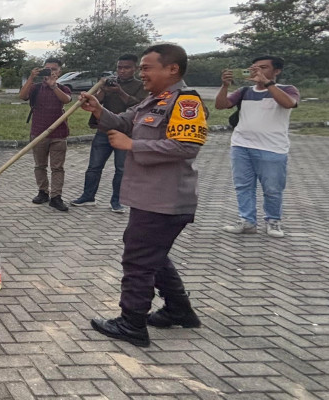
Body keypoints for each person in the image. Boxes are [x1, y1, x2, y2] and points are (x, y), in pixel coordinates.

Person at [79, 43, 207, 347]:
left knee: (138, 259)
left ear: (171, 69)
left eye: (147, 67)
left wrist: (133, 146)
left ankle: (132, 323)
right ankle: (179, 310)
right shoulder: (156, 100)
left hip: (166, 199)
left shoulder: (186, 102)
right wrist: (98, 110)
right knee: (152, 254)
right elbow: (125, 121)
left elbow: (187, 147)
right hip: (150, 197)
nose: (141, 73)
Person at [215, 56, 299, 238]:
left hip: (272, 148)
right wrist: (225, 86)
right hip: (241, 145)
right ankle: (247, 221)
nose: (257, 71)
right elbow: (221, 105)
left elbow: (288, 104)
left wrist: (267, 83)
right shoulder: (244, 91)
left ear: (277, 71)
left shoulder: (287, 90)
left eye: (263, 67)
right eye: (254, 68)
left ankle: (273, 221)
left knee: (272, 188)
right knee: (243, 186)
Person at [71, 55, 148, 212]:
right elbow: (96, 103)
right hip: (103, 131)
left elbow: (139, 105)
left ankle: (117, 201)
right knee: (94, 166)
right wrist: (101, 90)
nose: (122, 71)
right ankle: (88, 196)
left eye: (126, 67)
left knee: (121, 169)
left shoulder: (141, 86)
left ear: (135, 68)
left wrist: (120, 92)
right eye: (119, 67)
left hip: (125, 133)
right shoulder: (110, 82)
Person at [19, 59, 72, 211]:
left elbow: (67, 100)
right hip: (38, 132)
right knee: (40, 165)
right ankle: (43, 192)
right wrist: (31, 77)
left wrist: (53, 85)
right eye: (46, 69)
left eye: (53, 69)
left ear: (59, 72)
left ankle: (56, 197)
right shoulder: (35, 88)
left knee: (57, 167)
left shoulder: (62, 87)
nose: (50, 72)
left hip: (59, 133)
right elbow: (22, 96)